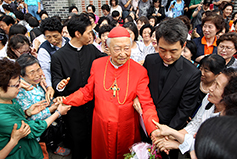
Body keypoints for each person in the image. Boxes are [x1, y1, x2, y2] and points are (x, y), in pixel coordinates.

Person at [58, 26, 160, 159]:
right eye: (117, 49)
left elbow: (147, 104)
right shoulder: (97, 64)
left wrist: (154, 130)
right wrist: (66, 100)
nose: (123, 53)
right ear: (107, 48)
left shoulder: (139, 71)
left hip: (127, 128)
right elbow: (87, 92)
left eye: (126, 48)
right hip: (101, 126)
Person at [143, 18, 201, 159]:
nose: (167, 56)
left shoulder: (192, 73)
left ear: (183, 45)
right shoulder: (150, 60)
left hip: (169, 134)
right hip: (145, 126)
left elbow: (184, 110)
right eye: (162, 50)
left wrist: (164, 135)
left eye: (173, 51)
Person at [51, 13, 106, 159]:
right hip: (73, 108)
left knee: (94, 138)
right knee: (77, 140)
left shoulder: (92, 49)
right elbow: (56, 80)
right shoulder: (59, 56)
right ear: (77, 33)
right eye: (89, 32)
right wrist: (60, 85)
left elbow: (105, 61)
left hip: (94, 104)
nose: (92, 35)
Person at [152, 67, 237, 157]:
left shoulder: (230, 122)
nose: (210, 88)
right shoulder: (209, 99)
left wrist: (178, 141)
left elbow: (208, 147)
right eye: (214, 82)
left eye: (217, 86)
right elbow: (195, 124)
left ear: (229, 95)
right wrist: (169, 136)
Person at [0, 57, 71, 159]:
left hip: (31, 148)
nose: (20, 86)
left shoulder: (10, 98)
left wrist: (27, 113)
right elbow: (31, 131)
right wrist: (57, 112)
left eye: (38, 69)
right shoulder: (3, 115)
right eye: (16, 85)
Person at [37, 17, 70, 88]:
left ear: (61, 32)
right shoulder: (44, 49)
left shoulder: (69, 42)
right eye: (48, 37)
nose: (53, 40)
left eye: (55, 36)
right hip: (56, 82)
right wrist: (49, 87)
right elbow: (46, 69)